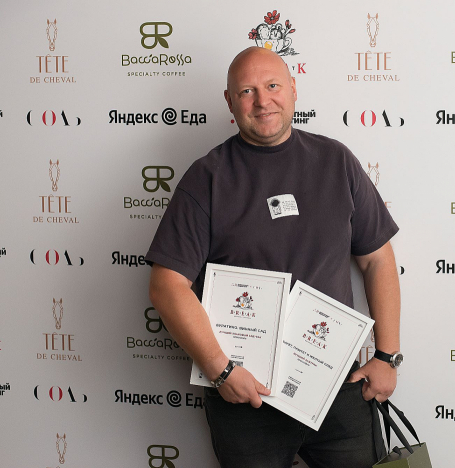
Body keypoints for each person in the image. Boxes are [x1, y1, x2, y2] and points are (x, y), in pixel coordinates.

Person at [147, 46, 401, 468]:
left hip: (337, 386)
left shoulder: (336, 161)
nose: (262, 101)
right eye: (247, 91)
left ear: (293, 89)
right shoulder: (206, 178)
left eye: (272, 86)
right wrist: (220, 369)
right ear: (230, 102)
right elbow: (166, 285)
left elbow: (378, 260)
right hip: (245, 397)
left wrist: (387, 356)